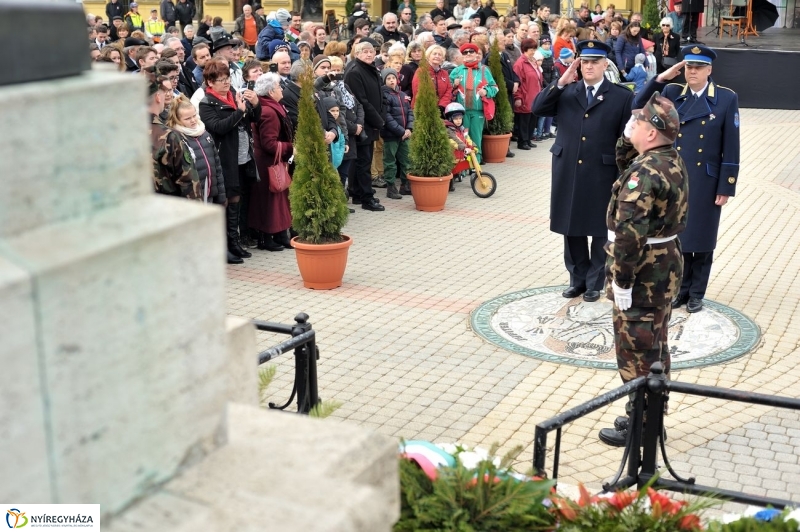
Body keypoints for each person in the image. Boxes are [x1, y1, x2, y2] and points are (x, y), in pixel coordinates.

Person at [598, 91, 688, 447]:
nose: (633, 123)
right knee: (656, 346)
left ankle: (645, 428)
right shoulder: (667, 158)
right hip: (663, 267)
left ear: (651, 134)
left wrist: (622, 280)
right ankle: (648, 415)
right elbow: (625, 160)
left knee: (637, 350)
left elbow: (629, 236)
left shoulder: (645, 175)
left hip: (642, 275)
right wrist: (627, 135)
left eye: (639, 121)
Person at [634, 46, 740, 313]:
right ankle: (679, 288)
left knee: (702, 236)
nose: (692, 72)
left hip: (705, 179)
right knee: (676, 236)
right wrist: (660, 79)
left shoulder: (726, 99)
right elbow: (637, 108)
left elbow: (731, 144)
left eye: (698, 67)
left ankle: (696, 291)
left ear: (709, 70)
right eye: (688, 67)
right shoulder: (671, 93)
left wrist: (726, 184)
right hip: (673, 179)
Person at [532, 40, 634, 303]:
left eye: (594, 62)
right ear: (579, 64)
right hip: (569, 169)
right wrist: (561, 82)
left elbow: (627, 139)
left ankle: (594, 282)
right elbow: (537, 108)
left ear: (604, 65)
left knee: (601, 228)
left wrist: (625, 175)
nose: (589, 66)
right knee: (571, 226)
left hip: (603, 171)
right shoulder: (566, 91)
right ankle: (576, 279)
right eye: (585, 62)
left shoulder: (621, 96)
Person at [199, 59, 261, 263]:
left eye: (227, 79)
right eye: (221, 80)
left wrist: (255, 104)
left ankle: (235, 242)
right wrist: (239, 112)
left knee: (238, 198)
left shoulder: (234, 94)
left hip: (243, 155)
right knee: (226, 199)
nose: (226, 83)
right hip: (224, 158)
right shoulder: (207, 103)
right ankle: (224, 245)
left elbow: (252, 118)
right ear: (210, 81)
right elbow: (218, 127)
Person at [250, 73, 294, 252]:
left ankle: (280, 235)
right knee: (269, 201)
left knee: (278, 199)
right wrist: (290, 148)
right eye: (279, 87)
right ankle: (266, 238)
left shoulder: (270, 106)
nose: (282, 89)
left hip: (271, 162)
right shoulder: (268, 111)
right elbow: (269, 144)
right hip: (267, 163)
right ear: (270, 91)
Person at [344, 40, 386, 212]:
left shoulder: (372, 69)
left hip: (372, 122)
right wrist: (378, 120)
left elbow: (379, 93)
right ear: (357, 53)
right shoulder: (354, 72)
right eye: (365, 51)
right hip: (362, 123)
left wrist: (381, 116)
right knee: (363, 161)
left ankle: (357, 192)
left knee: (362, 160)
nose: (369, 54)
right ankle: (366, 198)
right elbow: (361, 101)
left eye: (371, 51)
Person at [166, 95, 226, 205]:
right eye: (188, 118)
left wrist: (221, 196)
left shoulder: (205, 134)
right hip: (192, 200)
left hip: (210, 196)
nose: (193, 120)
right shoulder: (177, 139)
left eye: (194, 116)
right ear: (177, 120)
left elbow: (217, 166)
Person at [148, 75, 200, 200]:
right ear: (157, 97)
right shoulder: (168, 136)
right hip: (167, 209)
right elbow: (188, 182)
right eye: (164, 92)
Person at [450, 43, 498, 161]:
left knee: (476, 137)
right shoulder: (456, 71)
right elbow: (448, 91)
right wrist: (453, 85)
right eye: (465, 52)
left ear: (477, 54)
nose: (468, 54)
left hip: (478, 112)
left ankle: (476, 162)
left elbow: (495, 87)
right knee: (462, 137)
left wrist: (486, 91)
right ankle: (465, 164)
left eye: (471, 51)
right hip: (461, 113)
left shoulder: (484, 70)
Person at [380, 68, 414, 200]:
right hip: (391, 135)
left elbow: (410, 112)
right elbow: (387, 117)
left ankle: (405, 185)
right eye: (388, 79)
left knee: (406, 160)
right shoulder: (384, 96)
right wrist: (401, 131)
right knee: (390, 161)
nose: (391, 80)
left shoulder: (402, 95)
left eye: (393, 78)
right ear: (384, 81)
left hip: (405, 134)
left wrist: (409, 128)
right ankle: (391, 186)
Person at [513, 39, 541, 151]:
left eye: (534, 49)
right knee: (524, 121)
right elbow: (518, 82)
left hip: (534, 96)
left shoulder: (533, 61)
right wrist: (518, 97)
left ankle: (528, 140)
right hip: (525, 95)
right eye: (531, 49)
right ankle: (522, 141)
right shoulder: (520, 64)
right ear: (524, 49)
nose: (533, 51)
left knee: (532, 120)